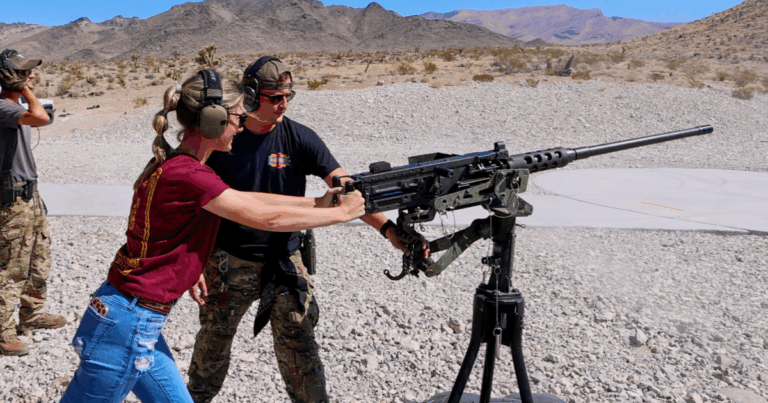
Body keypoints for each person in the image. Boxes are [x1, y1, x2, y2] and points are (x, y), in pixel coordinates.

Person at [58, 70, 366, 403]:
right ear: (213, 121)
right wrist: (341, 213)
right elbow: (263, 216)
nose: (240, 123)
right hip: (128, 325)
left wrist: (316, 203)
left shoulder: (181, 166)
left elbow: (247, 200)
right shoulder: (191, 176)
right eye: (236, 116)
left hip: (132, 319)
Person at [187, 57, 427, 403]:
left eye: (289, 95)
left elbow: (346, 190)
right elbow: (196, 201)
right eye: (274, 97)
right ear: (252, 96)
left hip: (284, 261)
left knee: (300, 347)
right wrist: (193, 259)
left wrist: (390, 231)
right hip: (228, 264)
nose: (283, 103)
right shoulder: (224, 140)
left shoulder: (299, 137)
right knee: (212, 347)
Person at [0, 49, 65, 356]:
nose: (32, 77)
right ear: (7, 75)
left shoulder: (12, 107)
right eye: (24, 73)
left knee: (39, 260)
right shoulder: (2, 107)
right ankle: (3, 333)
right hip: (11, 202)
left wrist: (21, 88)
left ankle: (32, 314)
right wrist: (23, 89)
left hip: (29, 196)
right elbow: (42, 117)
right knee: (12, 268)